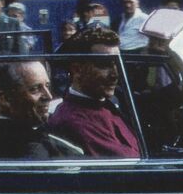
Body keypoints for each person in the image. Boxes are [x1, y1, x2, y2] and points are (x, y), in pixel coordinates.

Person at [48, 26, 141, 157]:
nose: (115, 74)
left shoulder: (108, 100)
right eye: (104, 64)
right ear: (77, 70)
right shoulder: (74, 121)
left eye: (117, 64)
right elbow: (129, 164)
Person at [0, 61, 82, 159]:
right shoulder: (26, 151)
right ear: (5, 98)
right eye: (35, 89)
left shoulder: (35, 130)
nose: (49, 96)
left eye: (47, 86)